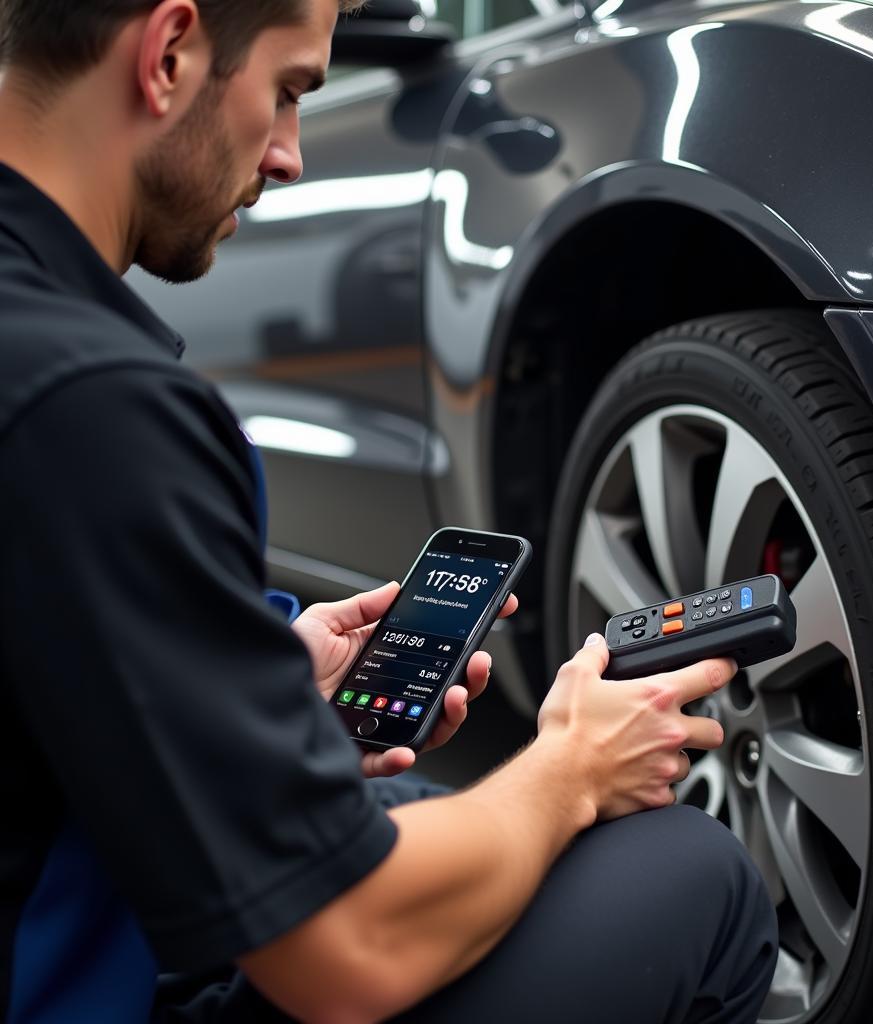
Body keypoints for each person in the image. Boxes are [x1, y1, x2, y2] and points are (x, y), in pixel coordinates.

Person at [0, 1, 778, 1021]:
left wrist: (245, 682)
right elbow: (347, 951)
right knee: (686, 866)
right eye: (287, 91)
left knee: (419, 812)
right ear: (170, 51)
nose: (287, 156)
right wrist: (569, 770)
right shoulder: (92, 404)